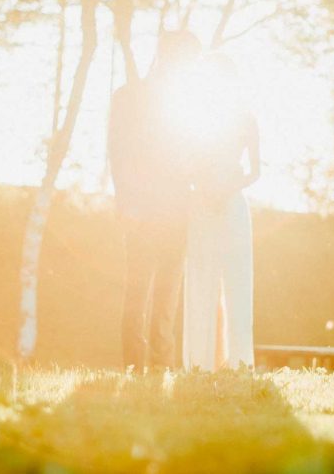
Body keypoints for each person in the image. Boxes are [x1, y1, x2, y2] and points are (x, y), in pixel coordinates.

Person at [108, 30, 202, 370]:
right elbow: (117, 155)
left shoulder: (188, 104)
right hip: (142, 210)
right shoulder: (128, 97)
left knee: (167, 294)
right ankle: (136, 366)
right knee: (138, 294)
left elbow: (192, 157)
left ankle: (160, 368)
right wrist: (126, 203)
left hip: (177, 209)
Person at [182, 53, 260, 371]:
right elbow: (185, 164)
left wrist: (227, 189)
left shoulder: (246, 119)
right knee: (200, 280)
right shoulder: (196, 119)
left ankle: (239, 360)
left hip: (232, 204)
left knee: (238, 280)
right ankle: (199, 363)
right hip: (201, 204)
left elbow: (255, 171)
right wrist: (202, 187)